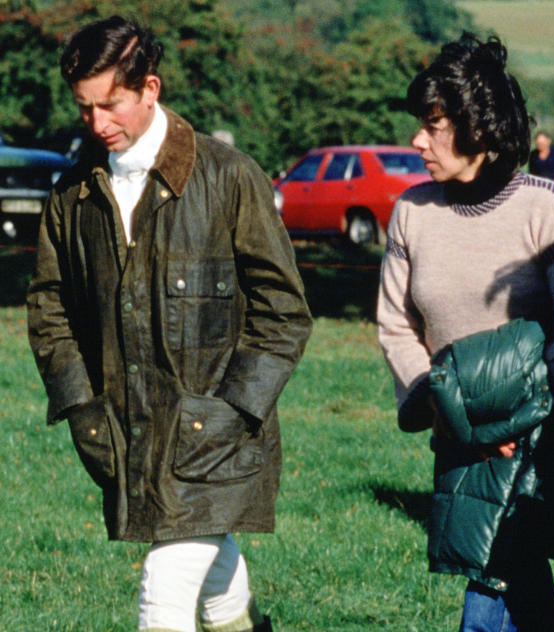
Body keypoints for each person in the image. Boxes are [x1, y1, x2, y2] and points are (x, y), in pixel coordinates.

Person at [27, 16, 312, 632]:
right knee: (214, 580)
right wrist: (82, 407)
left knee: (164, 593)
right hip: (124, 434)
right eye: (85, 108)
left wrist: (233, 410)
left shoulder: (230, 176)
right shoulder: (71, 194)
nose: (98, 123)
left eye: (112, 104)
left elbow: (284, 312)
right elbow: (48, 308)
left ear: (150, 89)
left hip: (219, 437)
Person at [377, 33, 554, 631]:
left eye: (432, 123)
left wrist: (509, 425)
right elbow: (396, 327)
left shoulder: (546, 206)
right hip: (458, 444)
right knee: (516, 589)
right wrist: (453, 414)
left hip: (541, 448)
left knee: (497, 589)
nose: (416, 140)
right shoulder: (411, 212)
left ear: (477, 126)